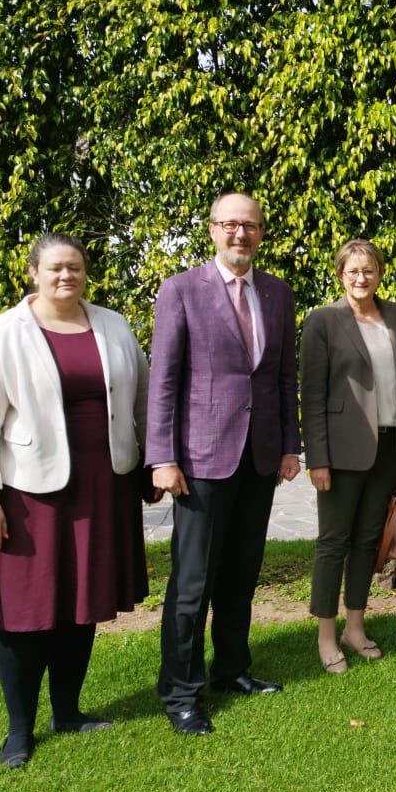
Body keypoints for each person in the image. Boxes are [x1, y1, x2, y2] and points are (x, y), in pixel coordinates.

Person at [0, 233, 151, 767]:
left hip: (99, 484)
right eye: (56, 268)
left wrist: (149, 458)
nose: (67, 276)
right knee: (24, 614)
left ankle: (68, 711)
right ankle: (19, 729)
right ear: (34, 274)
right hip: (26, 491)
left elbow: (140, 393)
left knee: (80, 605)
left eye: (76, 268)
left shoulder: (111, 323)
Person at [148, 193, 301, 736]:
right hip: (201, 459)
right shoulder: (182, 290)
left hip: (258, 458)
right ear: (213, 230)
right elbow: (163, 379)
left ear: (261, 233)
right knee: (193, 582)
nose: (241, 234)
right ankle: (181, 692)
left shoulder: (277, 294)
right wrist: (161, 457)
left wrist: (289, 444)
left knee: (240, 575)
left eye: (251, 226)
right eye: (231, 225)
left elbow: (283, 377)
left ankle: (232, 669)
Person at [300, 240, 396, 674]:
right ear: (340, 274)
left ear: (379, 273)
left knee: (368, 541)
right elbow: (311, 395)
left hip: (389, 447)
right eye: (352, 270)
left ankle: (355, 626)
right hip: (341, 450)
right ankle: (326, 636)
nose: (361, 278)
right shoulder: (323, 321)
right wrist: (318, 458)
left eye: (368, 270)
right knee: (334, 543)